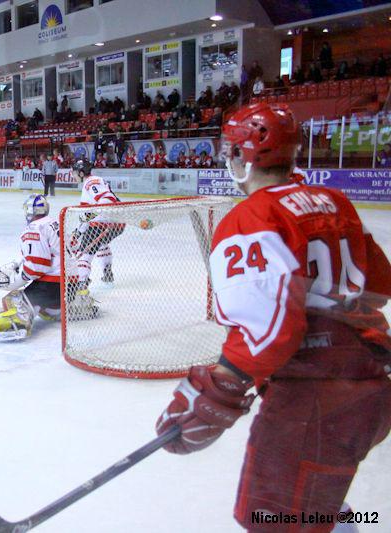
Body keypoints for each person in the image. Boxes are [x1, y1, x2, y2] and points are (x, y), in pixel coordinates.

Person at [154, 102, 391, 531]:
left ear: (246, 155)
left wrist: (219, 390)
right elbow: (381, 283)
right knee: (316, 506)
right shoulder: (333, 200)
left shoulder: (253, 218)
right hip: (370, 386)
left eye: (231, 149)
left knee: (275, 521)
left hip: (315, 400)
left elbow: (269, 331)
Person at [0, 195, 64, 341]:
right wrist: (17, 263)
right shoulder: (55, 222)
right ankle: (61, 307)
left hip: (54, 286)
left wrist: (16, 281)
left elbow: (37, 267)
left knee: (13, 298)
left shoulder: (34, 228)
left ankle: (18, 322)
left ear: (30, 211)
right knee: (42, 298)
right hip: (71, 284)